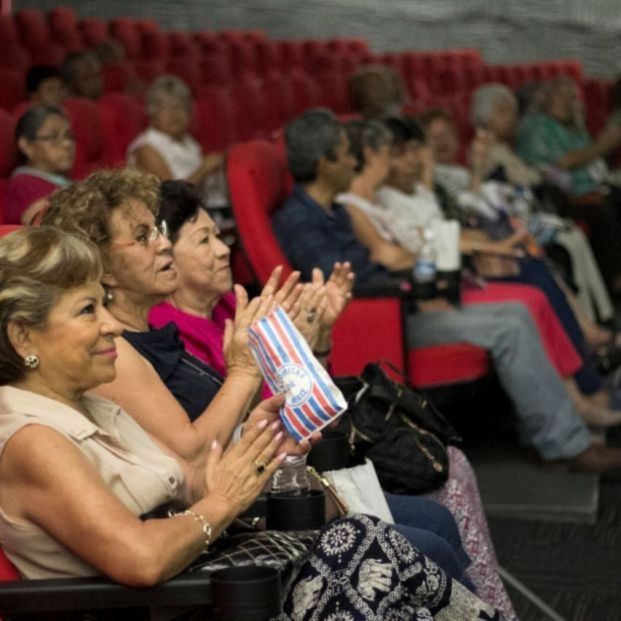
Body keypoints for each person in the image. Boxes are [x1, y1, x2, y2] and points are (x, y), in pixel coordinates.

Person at [0, 227, 503, 621]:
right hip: (172, 606)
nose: (111, 324)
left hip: (204, 588)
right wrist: (224, 501)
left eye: (103, 305)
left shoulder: (88, 404)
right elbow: (141, 559)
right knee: (361, 553)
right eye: (88, 310)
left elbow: (192, 483)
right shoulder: (32, 439)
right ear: (24, 336)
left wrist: (259, 448)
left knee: (365, 541)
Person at [147, 178, 518, 617]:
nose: (224, 249)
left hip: (305, 461)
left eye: (221, 236)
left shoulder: (234, 308)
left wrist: (315, 341)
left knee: (449, 477)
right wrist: (259, 371)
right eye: (204, 239)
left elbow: (310, 400)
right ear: (166, 253)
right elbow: (246, 424)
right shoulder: (173, 333)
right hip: (274, 487)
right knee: (436, 519)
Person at [272, 108, 621, 472]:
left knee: (518, 310)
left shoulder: (328, 210)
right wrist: (414, 284)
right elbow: (342, 289)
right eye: (345, 153)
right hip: (384, 322)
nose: (353, 161)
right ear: (324, 163)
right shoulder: (300, 220)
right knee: (510, 326)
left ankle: (554, 429)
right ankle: (566, 446)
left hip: (399, 307)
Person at [374, 115, 617, 422]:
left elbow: (448, 224)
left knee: (537, 273)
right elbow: (426, 242)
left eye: (417, 150)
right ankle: (581, 395)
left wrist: (482, 239)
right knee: (530, 293)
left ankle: (583, 390)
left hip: (458, 272)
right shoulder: (385, 199)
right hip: (440, 286)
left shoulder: (419, 191)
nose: (415, 159)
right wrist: (486, 246)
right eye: (403, 152)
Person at [467, 85, 614, 326]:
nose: (513, 118)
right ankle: (587, 320)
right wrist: (542, 174)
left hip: (528, 210)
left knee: (575, 236)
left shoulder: (504, 148)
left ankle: (599, 313)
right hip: (511, 222)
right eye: (506, 112)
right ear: (490, 116)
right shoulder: (485, 152)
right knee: (565, 244)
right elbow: (520, 179)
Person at [127, 75, 227, 208]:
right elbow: (173, 198)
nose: (175, 114)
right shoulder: (147, 148)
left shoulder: (187, 141)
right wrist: (203, 169)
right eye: (166, 108)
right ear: (152, 113)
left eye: (180, 107)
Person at [4, 106, 74, 225]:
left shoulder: (59, 179)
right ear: (26, 145)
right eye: (53, 137)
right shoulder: (23, 186)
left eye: (69, 136)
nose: (67, 144)